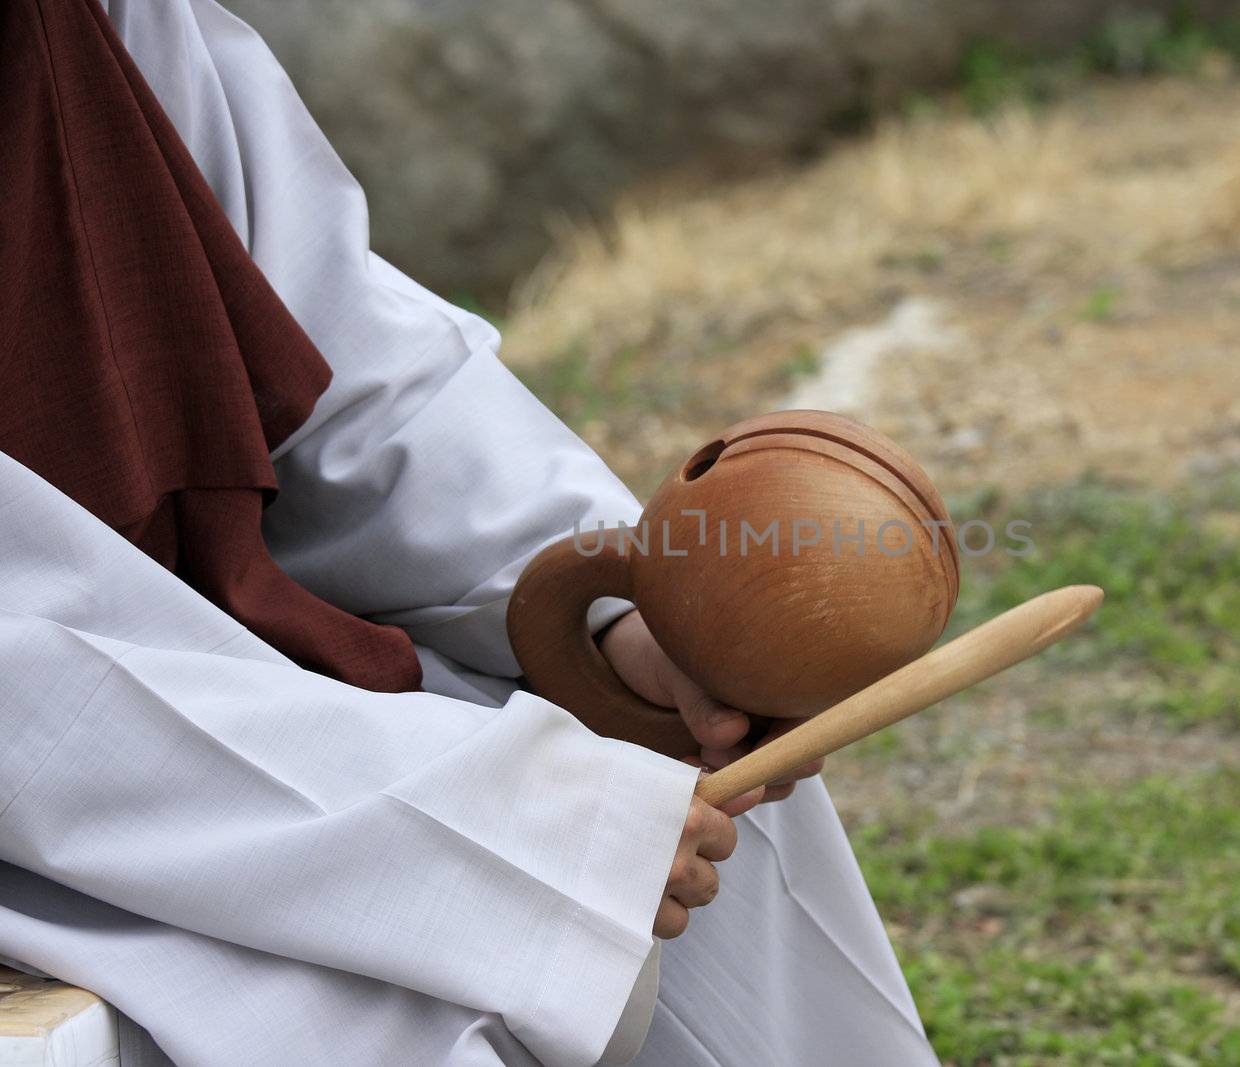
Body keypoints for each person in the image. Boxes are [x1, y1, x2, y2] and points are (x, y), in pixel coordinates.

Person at [0, 1, 940, 1064]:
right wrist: (507, 818)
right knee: (380, 1013)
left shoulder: (100, 20)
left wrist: (618, 617)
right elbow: (35, 703)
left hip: (244, 690)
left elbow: (335, 355)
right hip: (78, 807)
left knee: (680, 763)